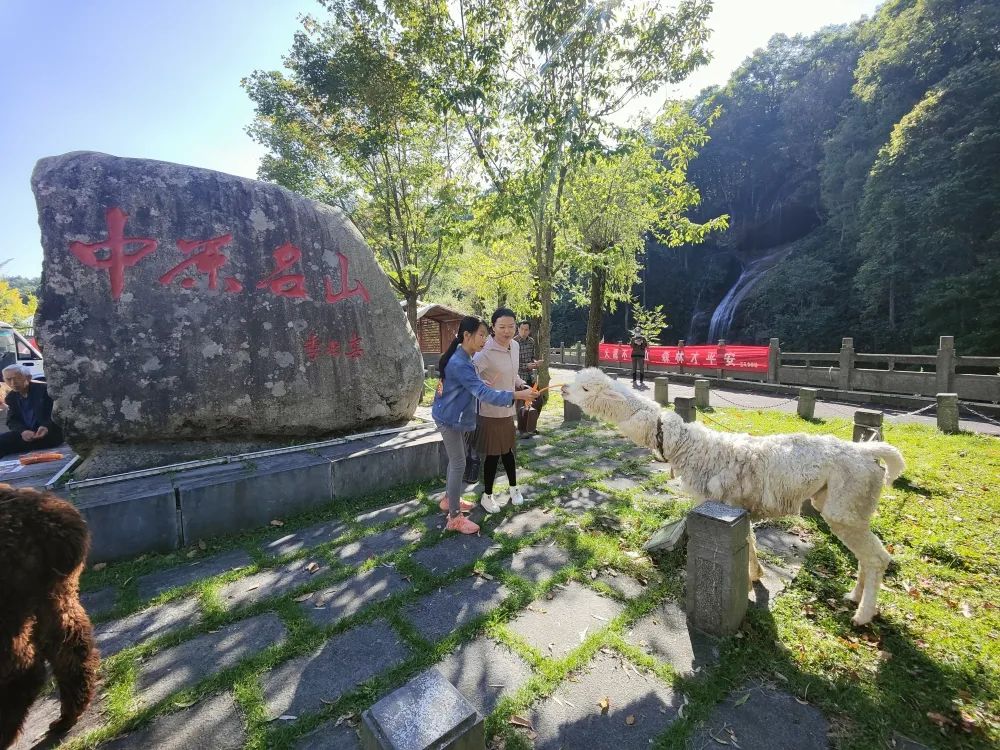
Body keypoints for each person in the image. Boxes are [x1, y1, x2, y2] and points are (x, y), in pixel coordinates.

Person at [432, 317, 537, 534]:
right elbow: (483, 394)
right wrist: (517, 394)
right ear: (466, 335)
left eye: (484, 334)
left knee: (456, 461)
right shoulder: (460, 362)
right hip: (450, 419)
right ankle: (454, 517)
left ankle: (448, 499)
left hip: (453, 416)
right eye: (481, 334)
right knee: (459, 463)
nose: (484, 339)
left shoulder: (463, 355)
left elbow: (470, 384)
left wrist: (480, 383)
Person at [474, 308, 531, 513]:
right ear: (493, 328)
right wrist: (480, 384)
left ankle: (514, 488)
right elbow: (469, 375)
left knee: (508, 451)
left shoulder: (514, 346)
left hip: (509, 408)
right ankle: (487, 495)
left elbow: (513, 374)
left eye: (511, 326)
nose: (507, 331)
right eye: (502, 327)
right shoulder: (485, 351)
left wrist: (522, 385)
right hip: (490, 410)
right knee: (492, 454)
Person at [0, 365, 64, 457]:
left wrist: (46, 426)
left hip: (48, 434)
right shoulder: (11, 397)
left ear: (28, 377)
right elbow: (12, 421)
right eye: (8, 379)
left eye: (17, 378)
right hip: (27, 435)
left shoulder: (44, 391)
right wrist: (23, 431)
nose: (13, 383)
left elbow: (58, 413)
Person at [514, 320, 544, 438]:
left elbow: (531, 357)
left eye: (526, 330)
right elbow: (513, 363)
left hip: (530, 376)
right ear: (518, 329)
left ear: (529, 331)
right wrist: (525, 366)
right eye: (522, 329)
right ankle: (522, 430)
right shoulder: (513, 342)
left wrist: (535, 363)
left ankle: (531, 426)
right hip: (518, 377)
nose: (524, 332)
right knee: (521, 404)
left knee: (538, 400)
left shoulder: (531, 341)